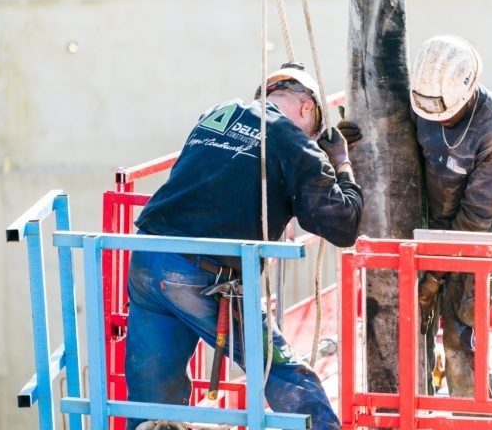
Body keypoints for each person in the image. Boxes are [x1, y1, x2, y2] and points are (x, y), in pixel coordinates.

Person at [124, 62, 363, 430]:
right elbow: (342, 224)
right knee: (285, 373)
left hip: (146, 259)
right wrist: (340, 163)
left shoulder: (217, 114)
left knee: (153, 401)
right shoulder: (293, 140)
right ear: (307, 108)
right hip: (202, 278)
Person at [410, 35, 492, 398]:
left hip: (475, 239)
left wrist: (433, 278)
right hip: (429, 226)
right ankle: (418, 415)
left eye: (446, 115)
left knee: (461, 340)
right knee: (411, 332)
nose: (438, 121)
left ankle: (475, 417)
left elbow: (475, 219)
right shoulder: (421, 99)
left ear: (468, 90)